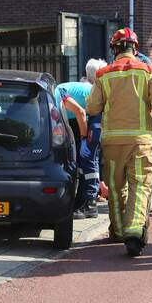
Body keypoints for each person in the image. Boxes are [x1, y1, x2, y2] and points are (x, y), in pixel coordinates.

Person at [86, 28, 152, 256]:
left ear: (114, 49)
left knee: (116, 188)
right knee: (140, 185)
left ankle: (117, 229)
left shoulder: (103, 74)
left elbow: (93, 107)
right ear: (135, 48)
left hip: (112, 142)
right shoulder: (148, 71)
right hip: (141, 141)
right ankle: (134, 230)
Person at [55, 59, 109, 219]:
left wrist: (84, 138)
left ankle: (90, 203)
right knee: (84, 162)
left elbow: (80, 112)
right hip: (94, 119)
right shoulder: (60, 92)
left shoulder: (59, 94)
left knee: (88, 159)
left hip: (95, 120)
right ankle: (82, 201)